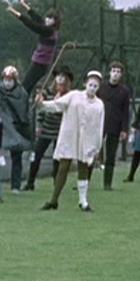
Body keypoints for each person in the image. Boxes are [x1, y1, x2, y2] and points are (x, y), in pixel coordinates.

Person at [36, 70, 105, 212]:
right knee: (63, 167)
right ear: (85, 83)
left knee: (83, 167)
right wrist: (42, 104)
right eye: (90, 84)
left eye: (95, 86)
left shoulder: (99, 105)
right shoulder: (74, 96)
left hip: (86, 140)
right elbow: (57, 105)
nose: (92, 88)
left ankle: (83, 201)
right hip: (69, 136)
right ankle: (53, 200)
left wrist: (97, 147)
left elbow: (100, 127)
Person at [25, 66, 73, 191]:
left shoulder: (70, 95)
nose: (60, 78)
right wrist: (39, 101)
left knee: (57, 158)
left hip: (60, 130)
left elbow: (65, 112)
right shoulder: (47, 90)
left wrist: (57, 103)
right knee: (36, 155)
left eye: (63, 76)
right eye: (59, 76)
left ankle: (56, 184)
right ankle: (30, 182)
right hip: (46, 128)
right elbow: (40, 108)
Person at [0, 65, 34, 194]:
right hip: (0, 126)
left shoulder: (21, 93)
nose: (7, 82)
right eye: (5, 79)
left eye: (10, 80)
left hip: (16, 126)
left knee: (16, 156)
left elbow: (24, 112)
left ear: (15, 80)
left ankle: (15, 186)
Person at [6, 0, 61, 94]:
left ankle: (18, 105)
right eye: (47, 17)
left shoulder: (49, 31)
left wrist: (14, 12)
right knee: (27, 87)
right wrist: (25, 6)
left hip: (40, 64)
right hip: (40, 63)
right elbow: (36, 18)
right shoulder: (49, 28)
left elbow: (32, 25)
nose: (47, 19)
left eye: (51, 18)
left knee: (25, 86)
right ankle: (23, 106)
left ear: (55, 21)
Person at [96, 61, 132, 190]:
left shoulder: (124, 91)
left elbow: (125, 112)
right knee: (91, 153)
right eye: (113, 71)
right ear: (109, 72)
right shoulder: (101, 87)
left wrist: (124, 129)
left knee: (110, 155)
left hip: (115, 126)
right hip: (99, 124)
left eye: (118, 72)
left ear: (121, 75)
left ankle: (107, 183)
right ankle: (84, 181)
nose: (115, 74)